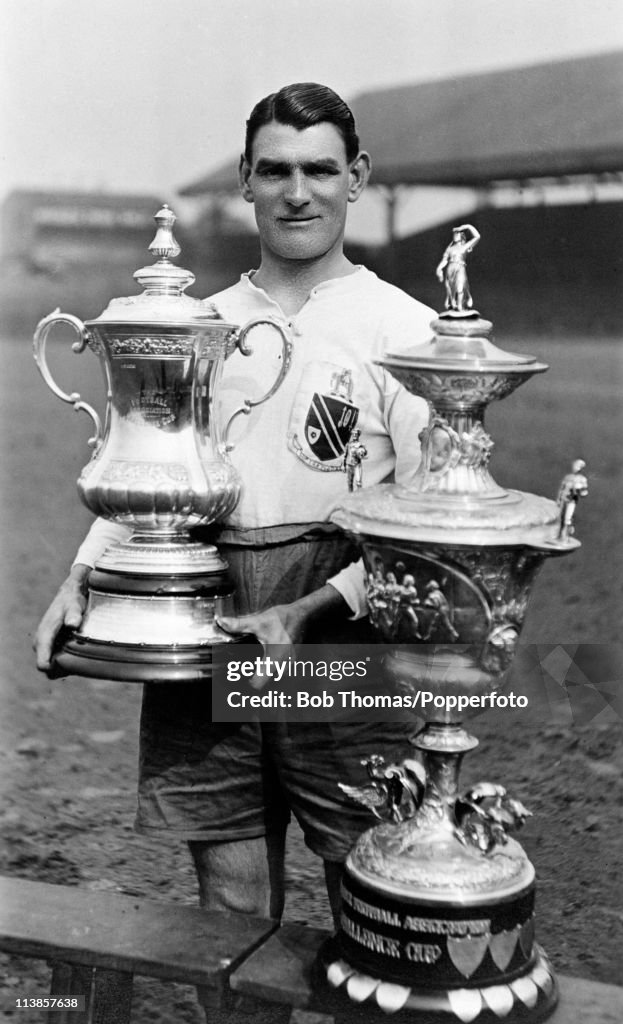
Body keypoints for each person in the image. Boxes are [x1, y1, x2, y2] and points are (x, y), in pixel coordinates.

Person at [35, 83, 436, 964]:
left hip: (343, 626)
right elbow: (149, 468)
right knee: (227, 897)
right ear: (247, 182)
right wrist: (78, 582)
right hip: (206, 609)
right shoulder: (197, 323)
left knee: (365, 884)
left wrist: (314, 607)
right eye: (277, 170)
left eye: (320, 170)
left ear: (356, 177)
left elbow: (428, 513)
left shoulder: (405, 328)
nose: (299, 191)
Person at [435, 223, 480, 312]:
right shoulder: (450, 249)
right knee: (452, 290)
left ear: (462, 236)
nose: (455, 235)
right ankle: (454, 306)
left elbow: (477, 236)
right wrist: (439, 268)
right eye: (454, 234)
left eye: (458, 234)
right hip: (450, 268)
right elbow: (445, 260)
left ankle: (460, 307)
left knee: (460, 287)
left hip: (460, 267)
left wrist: (467, 226)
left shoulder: (465, 246)